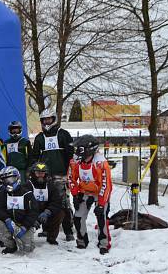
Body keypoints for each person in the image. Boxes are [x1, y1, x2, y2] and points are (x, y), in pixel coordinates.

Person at [31, 108, 75, 241]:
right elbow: (34, 157)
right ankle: (47, 229)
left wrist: (70, 172)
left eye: (49, 119)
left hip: (61, 175)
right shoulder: (39, 137)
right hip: (44, 176)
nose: (46, 122)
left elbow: (70, 154)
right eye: (44, 120)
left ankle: (68, 230)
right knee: (44, 201)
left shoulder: (63, 134)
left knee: (64, 203)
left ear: (54, 119)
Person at [68, 135, 113, 254]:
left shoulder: (101, 163)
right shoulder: (75, 162)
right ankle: (82, 240)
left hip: (100, 193)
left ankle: (104, 243)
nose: (77, 152)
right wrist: (75, 195)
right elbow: (71, 179)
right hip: (84, 192)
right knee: (77, 217)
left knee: (101, 216)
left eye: (80, 149)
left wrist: (102, 204)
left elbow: (106, 184)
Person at [0, 166, 38, 254]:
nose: (8, 182)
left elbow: (33, 211)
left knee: (28, 249)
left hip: (24, 224)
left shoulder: (27, 193)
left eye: (11, 179)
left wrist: (25, 226)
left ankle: (22, 239)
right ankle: (10, 246)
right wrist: (7, 219)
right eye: (5, 180)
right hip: (9, 222)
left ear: (17, 177)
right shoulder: (2, 193)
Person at [28, 161, 64, 246]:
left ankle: (51, 237)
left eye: (42, 173)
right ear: (33, 173)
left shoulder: (51, 186)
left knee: (60, 212)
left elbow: (56, 201)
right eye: (38, 173)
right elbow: (23, 204)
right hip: (31, 213)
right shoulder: (27, 186)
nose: (40, 175)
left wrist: (48, 212)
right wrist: (32, 217)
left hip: (45, 212)